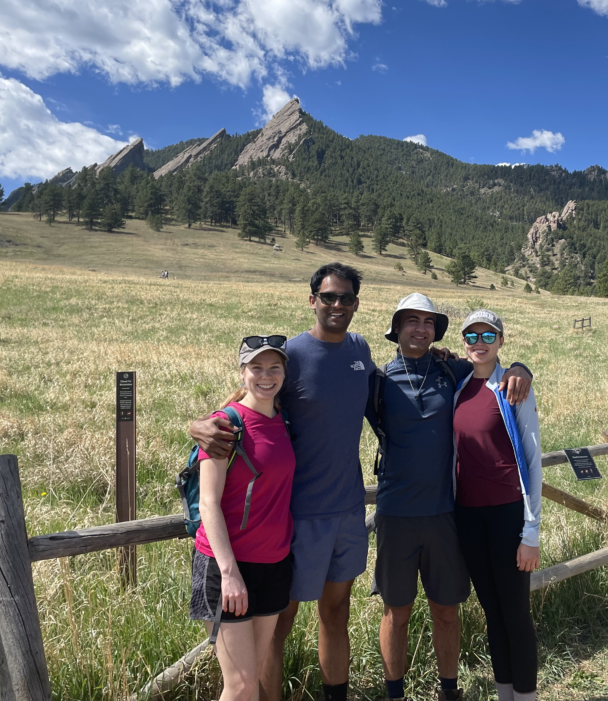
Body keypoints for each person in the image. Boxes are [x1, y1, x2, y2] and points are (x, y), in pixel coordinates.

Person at [189, 267, 531, 701]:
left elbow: (485, 370)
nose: (337, 305)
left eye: (346, 298)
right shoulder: (312, 360)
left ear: (356, 305)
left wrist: (518, 366)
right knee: (281, 622)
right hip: (302, 517)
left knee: (340, 612)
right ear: (312, 299)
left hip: (365, 511)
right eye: (328, 297)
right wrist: (199, 423)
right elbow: (254, 389)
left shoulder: (391, 359)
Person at [369, 294, 533, 701]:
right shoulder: (377, 381)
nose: (420, 328)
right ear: (396, 327)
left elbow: (490, 367)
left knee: (447, 609)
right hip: (396, 514)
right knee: (397, 612)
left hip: (445, 515)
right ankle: (395, 695)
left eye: (428, 321)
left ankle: (449, 692)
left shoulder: (451, 370)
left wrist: (521, 368)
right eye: (411, 320)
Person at [190, 336, 296, 701]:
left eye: (274, 368)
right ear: (242, 372)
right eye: (256, 368)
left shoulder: (284, 419)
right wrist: (229, 572)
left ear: (284, 373)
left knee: (252, 678)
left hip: (274, 563)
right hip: (228, 568)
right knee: (240, 684)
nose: (266, 376)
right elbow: (208, 504)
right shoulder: (225, 426)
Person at [452, 310, 543, 701]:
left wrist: (532, 531)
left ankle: (525, 696)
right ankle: (505, 693)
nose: (479, 342)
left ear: (501, 341)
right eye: (471, 335)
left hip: (508, 515)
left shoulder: (511, 387)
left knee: (516, 615)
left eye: (488, 335)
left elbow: (534, 458)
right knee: (491, 611)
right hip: (469, 516)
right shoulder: (458, 386)